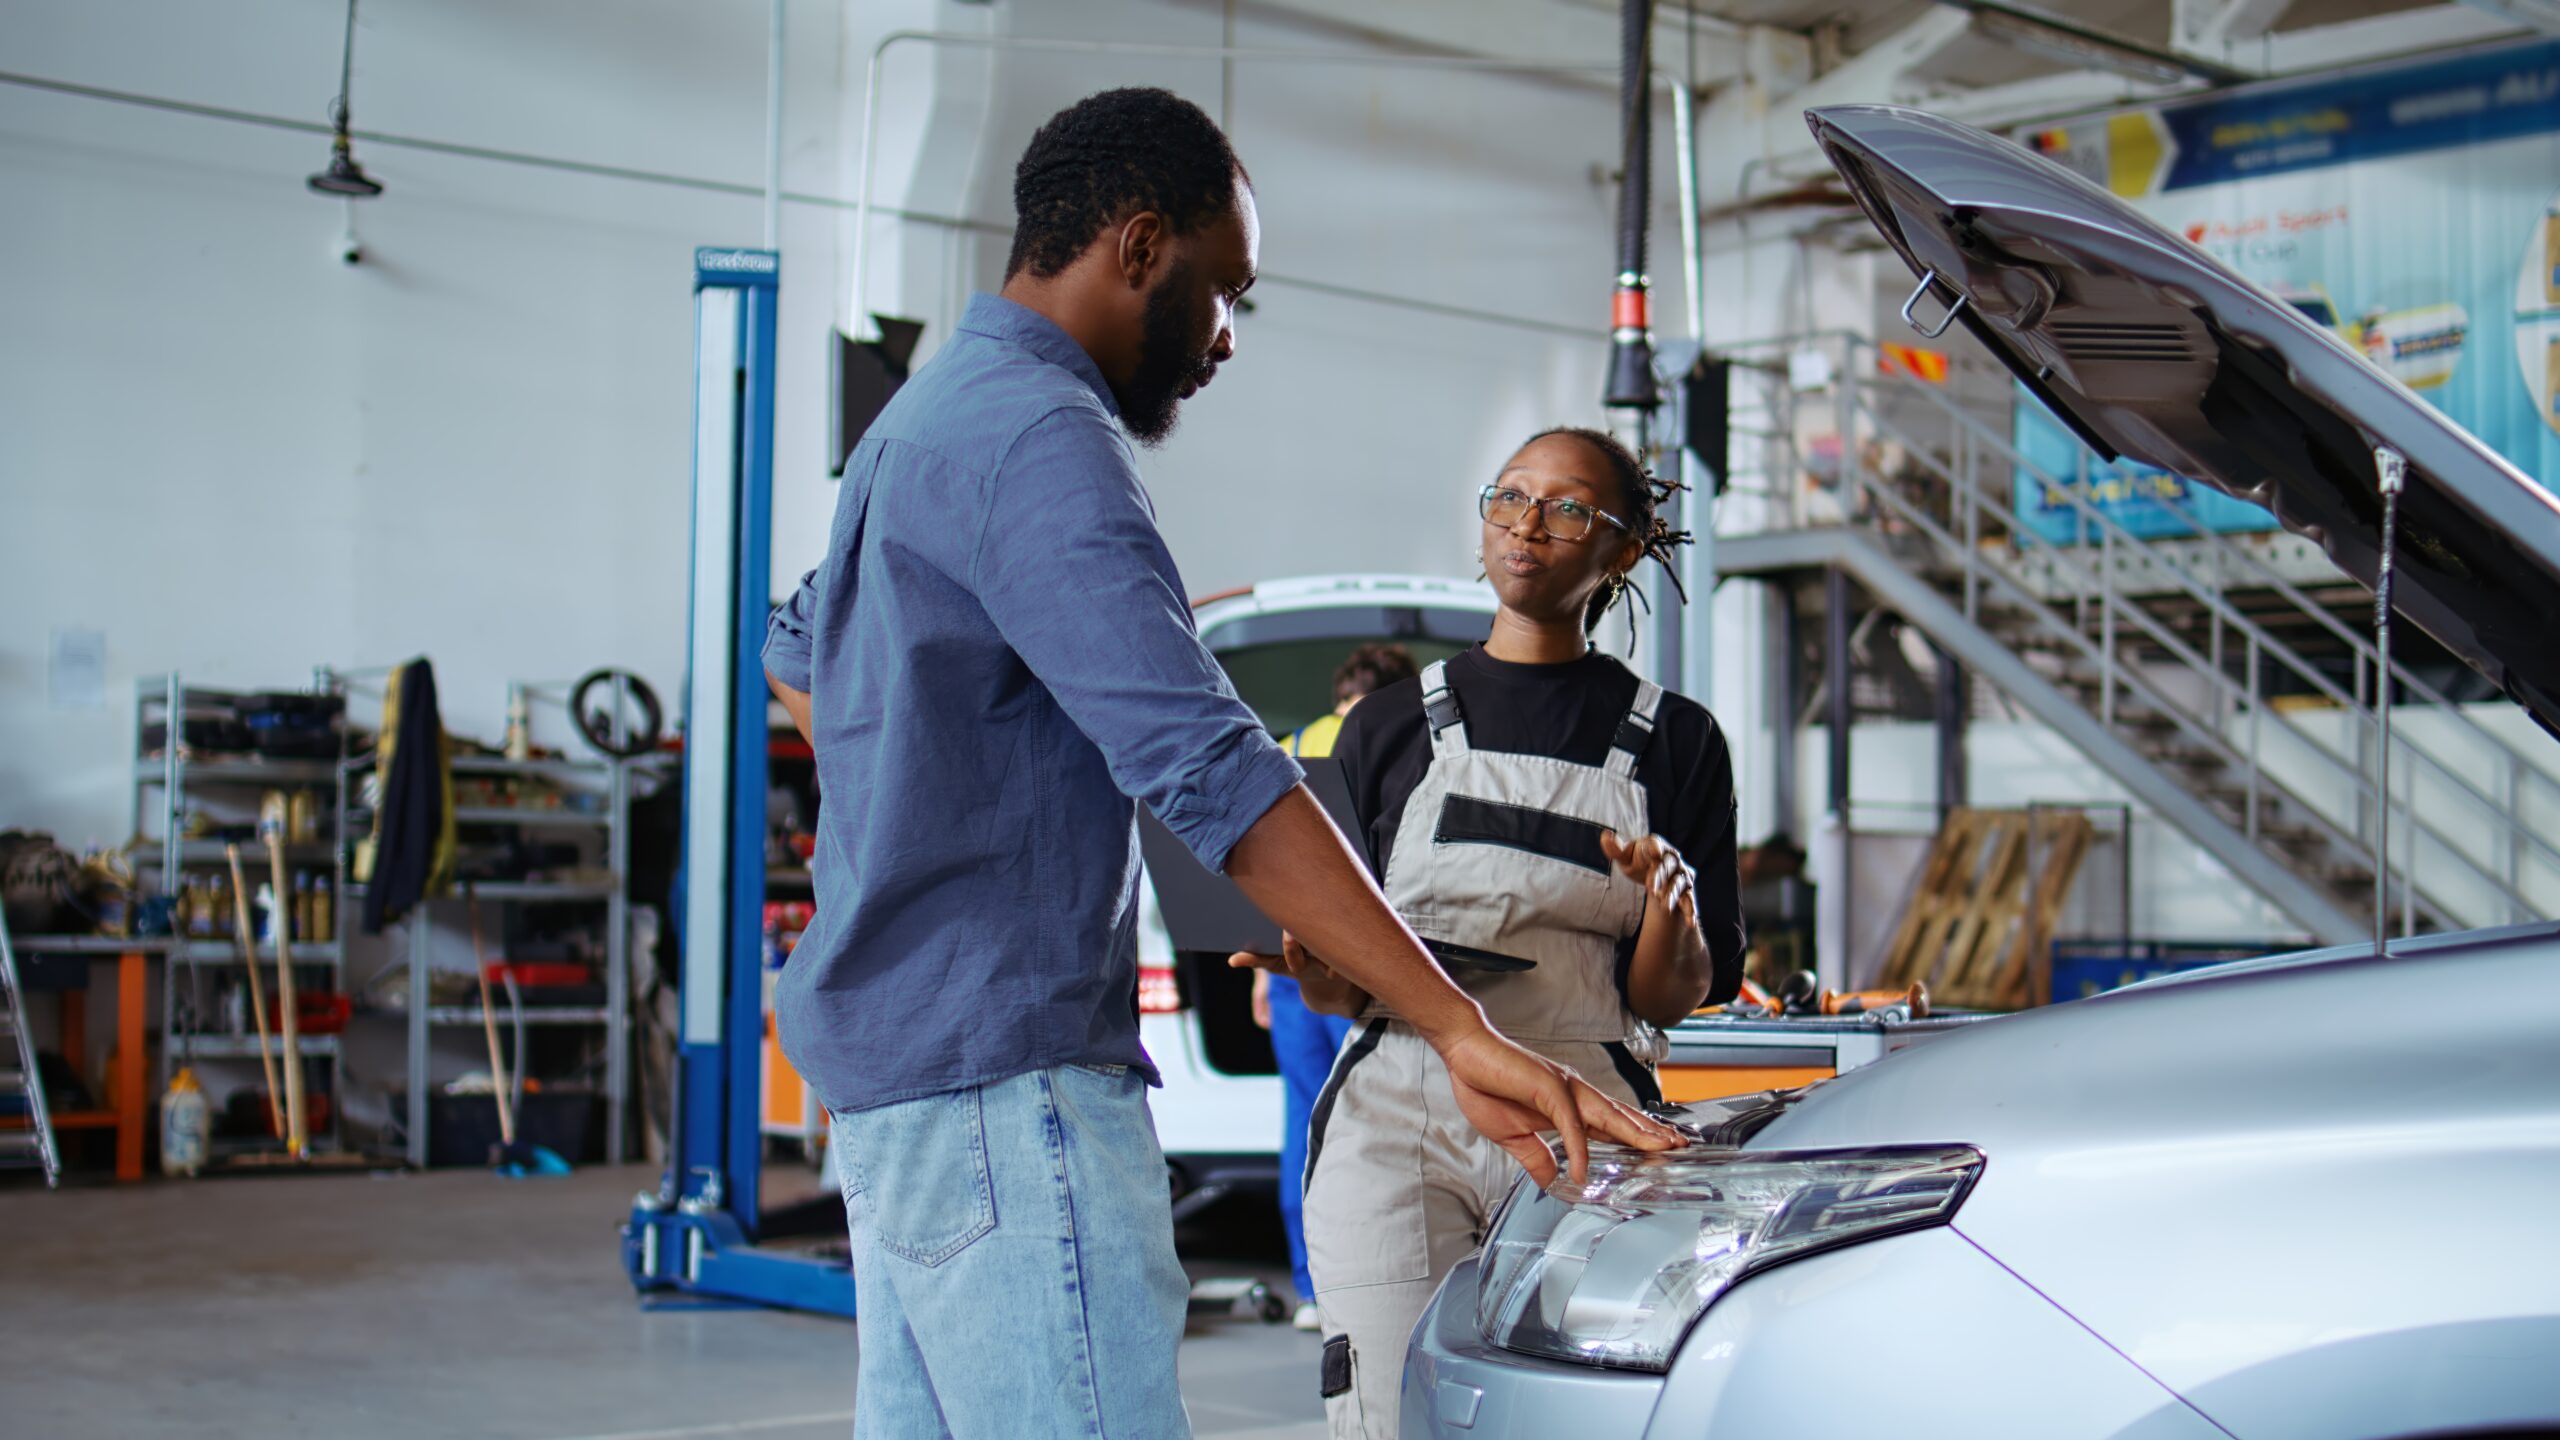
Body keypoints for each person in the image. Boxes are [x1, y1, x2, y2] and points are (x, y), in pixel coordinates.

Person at [760, 90, 1675, 1440]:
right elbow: (1215, 773)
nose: (1227, 336)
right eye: (1223, 289)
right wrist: (1458, 1027)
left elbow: (797, 652)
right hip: (1009, 1090)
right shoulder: (1038, 439)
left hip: (902, 1083)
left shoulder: (923, 419)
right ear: (1138, 248)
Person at [1234, 427, 1747, 1439]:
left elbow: (1666, 998)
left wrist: (1671, 914)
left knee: (1569, 1413)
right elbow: (1358, 976)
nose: (1527, 525)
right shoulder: (1387, 727)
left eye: (1567, 508)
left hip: (1583, 1118)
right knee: (1383, 1407)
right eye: (1508, 497)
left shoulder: (1677, 741)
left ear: (1623, 551)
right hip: (1395, 1114)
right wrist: (1319, 975)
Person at [1255, 643, 1419, 1329]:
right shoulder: (1400, 746)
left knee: (1304, 1116)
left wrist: (1262, 971)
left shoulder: (1295, 743)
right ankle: (1370, 1281)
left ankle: (1310, 1289)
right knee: (1374, 1116)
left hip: (1291, 960)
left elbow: (1270, 855)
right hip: (1355, 964)